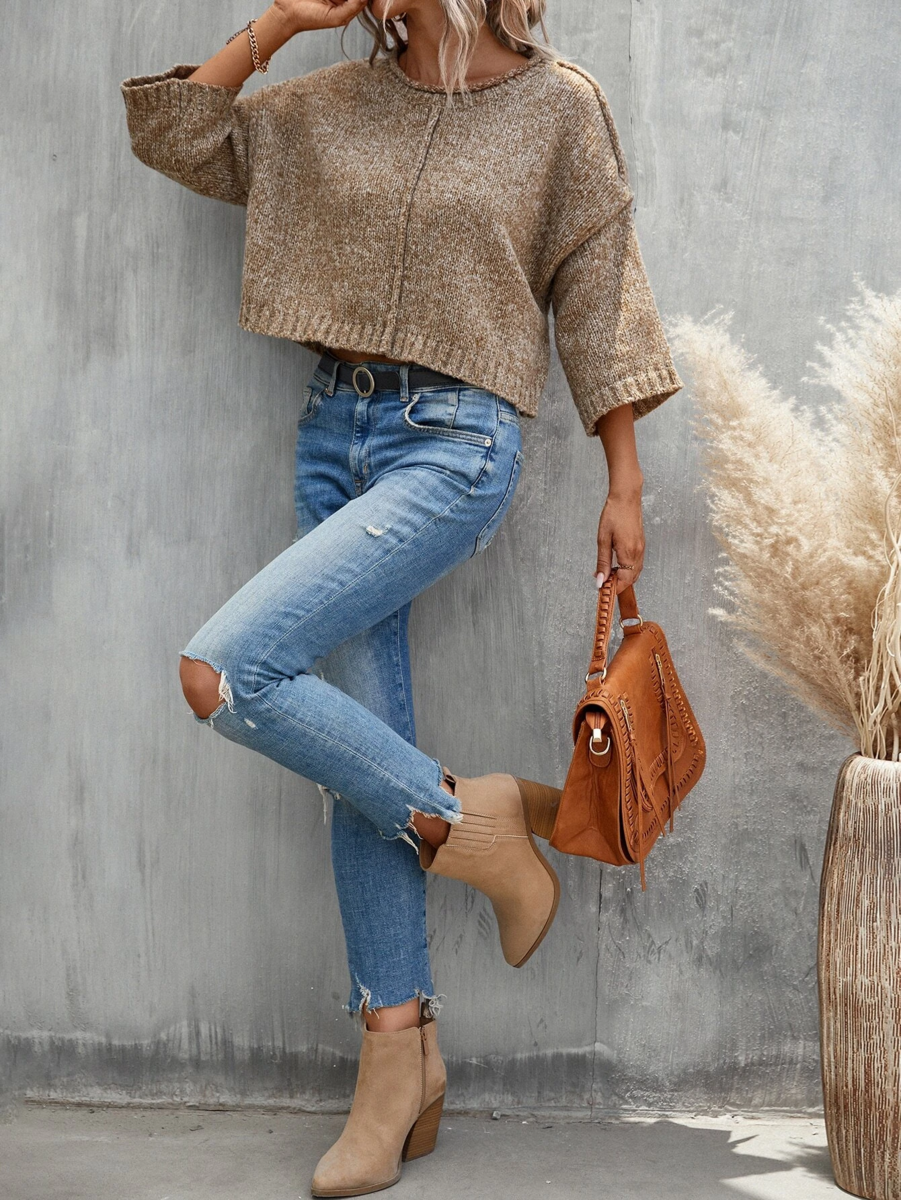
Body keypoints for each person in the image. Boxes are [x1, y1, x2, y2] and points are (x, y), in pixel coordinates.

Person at [120, 0, 683, 1193]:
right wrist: (284, 21)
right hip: (334, 437)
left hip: (457, 444)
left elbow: (601, 292)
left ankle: (464, 824)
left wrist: (624, 483)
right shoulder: (331, 103)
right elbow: (175, 132)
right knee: (355, 752)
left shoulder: (557, 107)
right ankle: (400, 1052)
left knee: (223, 670)